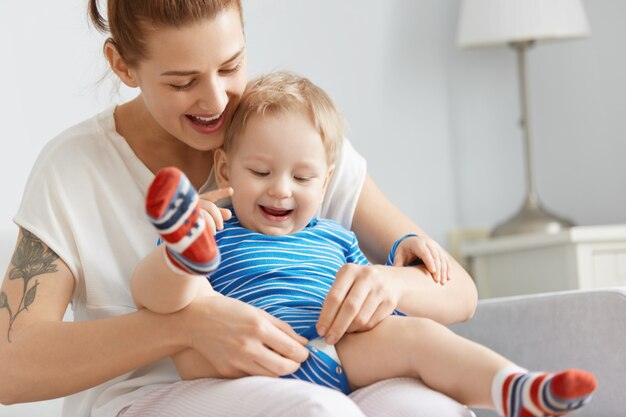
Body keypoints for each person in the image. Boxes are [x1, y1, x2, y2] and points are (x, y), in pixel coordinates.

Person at [0, 1, 479, 416]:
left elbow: (458, 291)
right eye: (182, 82)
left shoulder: (288, 137)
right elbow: (11, 364)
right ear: (123, 66)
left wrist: (387, 283)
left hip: (329, 367)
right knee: (316, 411)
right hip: (156, 395)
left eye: (230, 66)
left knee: (428, 408)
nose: (216, 101)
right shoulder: (75, 169)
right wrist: (188, 328)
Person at [132, 72, 597, 417]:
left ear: (327, 181)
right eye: (260, 172)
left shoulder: (337, 238)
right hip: (239, 361)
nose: (281, 190)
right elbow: (148, 299)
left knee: (420, 336)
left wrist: (393, 284)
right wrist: (194, 236)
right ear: (227, 170)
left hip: (336, 353)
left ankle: (512, 387)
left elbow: (381, 311)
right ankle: (181, 253)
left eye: (302, 177)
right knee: (170, 294)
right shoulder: (222, 226)